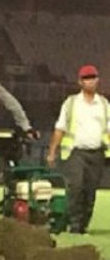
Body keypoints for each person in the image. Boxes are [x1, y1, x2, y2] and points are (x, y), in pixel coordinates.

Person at [46, 65, 110, 234]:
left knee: (90, 191)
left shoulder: (104, 104)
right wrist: (52, 151)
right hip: (75, 153)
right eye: (86, 78)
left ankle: (83, 224)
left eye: (93, 77)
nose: (90, 81)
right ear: (80, 82)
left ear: (98, 80)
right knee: (76, 187)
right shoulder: (71, 103)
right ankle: (74, 224)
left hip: (96, 154)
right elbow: (60, 128)